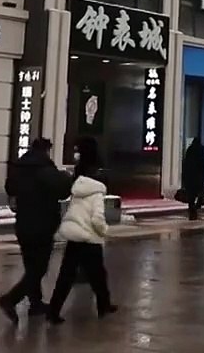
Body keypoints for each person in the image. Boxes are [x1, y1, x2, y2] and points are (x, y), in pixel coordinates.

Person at [0, 137, 73, 324]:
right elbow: (63, 190)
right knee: (38, 269)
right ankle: (10, 299)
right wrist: (66, 177)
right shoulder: (45, 170)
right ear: (46, 150)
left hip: (23, 225)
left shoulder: (19, 168)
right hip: (42, 225)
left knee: (32, 266)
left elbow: (9, 187)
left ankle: (35, 302)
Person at [46, 138, 115, 324]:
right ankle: (104, 306)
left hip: (76, 231)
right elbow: (97, 218)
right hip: (90, 236)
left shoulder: (79, 180)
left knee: (66, 274)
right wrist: (104, 231)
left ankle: (53, 309)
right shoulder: (97, 188)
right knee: (98, 274)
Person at [180, 137, 204, 220]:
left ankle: (192, 210)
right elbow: (203, 168)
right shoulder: (201, 156)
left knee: (191, 196)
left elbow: (185, 166)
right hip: (198, 179)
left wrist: (184, 178)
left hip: (190, 178)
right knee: (200, 194)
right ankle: (196, 208)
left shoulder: (189, 152)